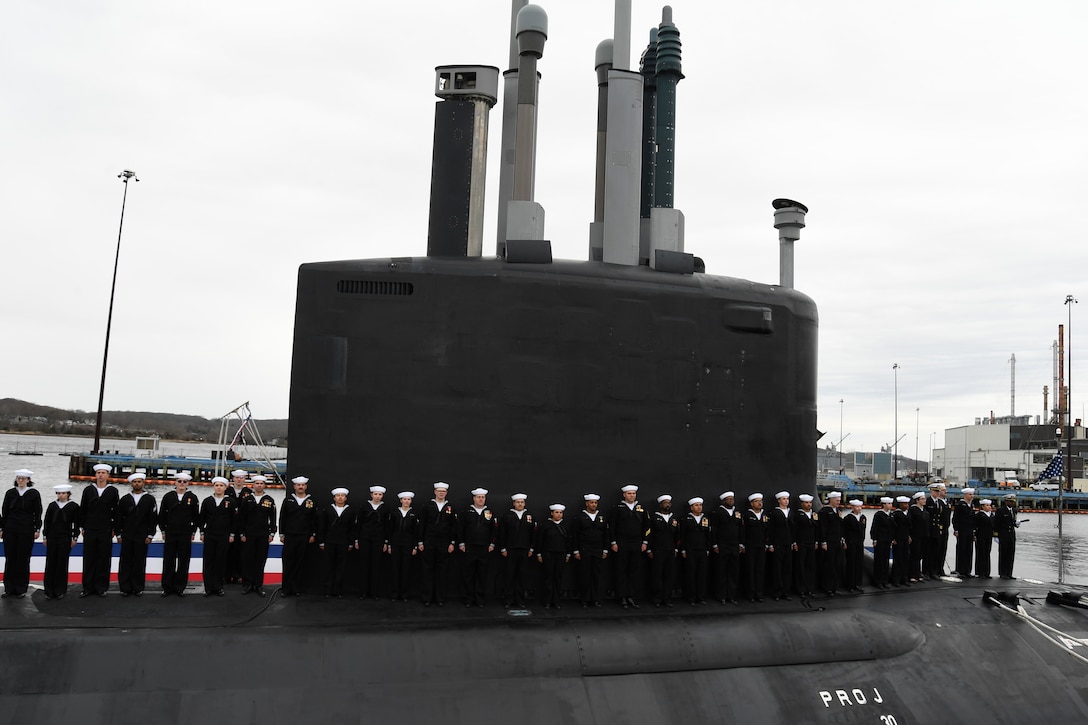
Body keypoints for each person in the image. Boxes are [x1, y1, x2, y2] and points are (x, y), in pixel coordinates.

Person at [79, 463, 119, 597]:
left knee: (103, 558)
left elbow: (116, 512)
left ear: (108, 475)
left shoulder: (112, 491)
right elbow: (83, 509)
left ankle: (101, 587)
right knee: (89, 558)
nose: (101, 475)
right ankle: (87, 587)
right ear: (95, 475)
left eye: (103, 473)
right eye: (98, 473)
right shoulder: (88, 490)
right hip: (90, 528)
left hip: (105, 529)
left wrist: (114, 528)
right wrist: (83, 526)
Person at [115, 472, 158, 597]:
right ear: (131, 483)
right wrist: (118, 534)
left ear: (143, 483)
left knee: (139, 562)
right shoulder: (125, 499)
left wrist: (150, 534)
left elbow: (153, 518)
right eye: (135, 482)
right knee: (125, 561)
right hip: (127, 535)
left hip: (142, 536)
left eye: (139, 481)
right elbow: (119, 518)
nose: (137, 484)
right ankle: (125, 587)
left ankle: (138, 587)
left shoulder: (149, 499)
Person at [159, 471, 201, 597]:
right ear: (175, 482)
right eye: (179, 481)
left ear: (188, 483)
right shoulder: (168, 497)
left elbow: (196, 517)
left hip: (185, 533)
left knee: (183, 561)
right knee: (168, 561)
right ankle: (167, 587)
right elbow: (162, 515)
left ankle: (179, 587)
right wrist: (163, 530)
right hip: (170, 533)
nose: (182, 484)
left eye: (184, 482)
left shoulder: (192, 498)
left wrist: (193, 531)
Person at [1, 468, 42, 598]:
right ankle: (9, 587)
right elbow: (5, 511)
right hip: (10, 529)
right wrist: (2, 528)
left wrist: (37, 529)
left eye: (23, 479)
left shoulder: (33, 494)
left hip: (26, 529)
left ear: (28, 480)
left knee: (23, 559)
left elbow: (38, 512)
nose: (20, 481)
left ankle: (20, 588)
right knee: (10, 557)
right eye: (18, 478)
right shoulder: (10, 493)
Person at [609, 484, 649, 609]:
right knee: (621, 570)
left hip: (637, 544)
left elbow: (647, 526)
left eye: (633, 493)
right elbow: (612, 526)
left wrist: (645, 542)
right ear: (624, 495)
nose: (632, 495)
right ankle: (622, 596)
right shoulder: (618, 508)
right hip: (621, 544)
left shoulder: (641, 508)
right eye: (629, 493)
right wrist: (613, 542)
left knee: (634, 570)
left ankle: (631, 596)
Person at [419, 481, 457, 607]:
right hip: (429, 542)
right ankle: (427, 598)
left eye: (443, 491)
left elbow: (453, 527)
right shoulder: (428, 505)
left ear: (446, 493)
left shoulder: (450, 507)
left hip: (444, 543)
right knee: (427, 569)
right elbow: (422, 524)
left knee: (442, 570)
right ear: (435, 492)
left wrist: (452, 542)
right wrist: (420, 541)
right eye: (439, 491)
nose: (441, 493)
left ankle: (440, 598)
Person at [238, 474, 277, 597]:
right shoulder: (247, 499)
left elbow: (273, 517)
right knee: (248, 559)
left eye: (261, 483)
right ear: (253, 485)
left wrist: (272, 533)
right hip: (249, 534)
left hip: (263, 535)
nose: (259, 485)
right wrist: (242, 533)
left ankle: (258, 585)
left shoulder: (269, 500)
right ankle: (247, 584)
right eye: (257, 483)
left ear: (264, 485)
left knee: (260, 560)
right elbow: (241, 518)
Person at [279, 476, 317, 597]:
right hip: (289, 536)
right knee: (288, 561)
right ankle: (285, 588)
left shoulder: (311, 501)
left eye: (303, 485)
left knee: (300, 563)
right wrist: (282, 533)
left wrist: (313, 534)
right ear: (294, 486)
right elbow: (282, 517)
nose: (300, 487)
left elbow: (314, 519)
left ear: (306, 486)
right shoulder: (288, 500)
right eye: (298, 485)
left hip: (304, 536)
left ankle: (296, 588)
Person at [458, 487, 496, 608]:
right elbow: (460, 529)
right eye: (478, 497)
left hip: (484, 548)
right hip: (469, 548)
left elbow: (494, 530)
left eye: (483, 497)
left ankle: (479, 599)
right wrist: (461, 543)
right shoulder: (466, 512)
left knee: (482, 575)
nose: (481, 499)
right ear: (474, 498)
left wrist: (492, 544)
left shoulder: (489, 512)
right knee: (468, 574)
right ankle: (468, 598)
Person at [42, 483, 80, 599]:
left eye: (63, 493)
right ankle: (49, 590)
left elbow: (76, 523)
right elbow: (47, 521)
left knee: (62, 564)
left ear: (68, 494)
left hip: (65, 537)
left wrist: (74, 537)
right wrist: (45, 536)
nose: (61, 495)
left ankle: (60, 590)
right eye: (59, 493)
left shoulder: (73, 506)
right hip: (52, 537)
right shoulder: (52, 506)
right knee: (50, 563)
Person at [498, 493, 536, 608]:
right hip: (510, 550)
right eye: (518, 502)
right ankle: (508, 600)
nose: (520, 504)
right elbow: (502, 533)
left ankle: (520, 600)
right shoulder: (507, 515)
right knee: (509, 575)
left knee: (522, 576)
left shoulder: (529, 516)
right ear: (514, 503)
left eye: (522, 502)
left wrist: (532, 548)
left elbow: (534, 534)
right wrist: (503, 548)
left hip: (525, 551)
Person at [200, 477, 235, 596]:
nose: (219, 487)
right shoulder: (207, 501)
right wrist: (202, 532)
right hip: (210, 534)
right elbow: (202, 518)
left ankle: (218, 587)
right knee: (208, 561)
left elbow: (234, 520)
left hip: (224, 536)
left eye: (221, 485)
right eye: (216, 485)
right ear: (213, 487)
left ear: (225, 487)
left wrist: (232, 534)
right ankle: (208, 587)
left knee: (220, 561)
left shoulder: (230, 502)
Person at [571, 493, 608, 608]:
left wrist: (605, 549)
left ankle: (596, 598)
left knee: (597, 575)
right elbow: (575, 535)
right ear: (587, 504)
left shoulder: (601, 517)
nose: (593, 505)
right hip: (584, 549)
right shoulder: (580, 517)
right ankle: (585, 599)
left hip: (598, 550)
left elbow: (606, 534)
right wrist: (576, 550)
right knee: (585, 575)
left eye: (595, 503)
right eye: (591, 502)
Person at [354, 485, 389, 600]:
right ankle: (363, 591)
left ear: (382, 496)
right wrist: (356, 539)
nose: (377, 496)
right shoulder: (364, 506)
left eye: (380, 494)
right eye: (375, 494)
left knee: (376, 565)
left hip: (378, 539)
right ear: (371, 495)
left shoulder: (385, 508)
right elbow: (358, 523)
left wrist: (385, 542)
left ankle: (374, 592)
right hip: (364, 538)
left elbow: (387, 527)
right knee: (364, 564)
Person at [318, 487, 353, 598]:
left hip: (343, 543)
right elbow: (322, 526)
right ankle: (327, 590)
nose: (340, 497)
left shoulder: (350, 511)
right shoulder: (327, 510)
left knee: (340, 567)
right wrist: (321, 542)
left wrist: (351, 542)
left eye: (342, 495)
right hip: (329, 542)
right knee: (328, 566)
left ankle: (338, 590)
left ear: (346, 498)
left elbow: (352, 528)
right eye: (338, 495)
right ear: (334, 498)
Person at [535, 504, 571, 610]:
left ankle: (556, 600)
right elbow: (540, 540)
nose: (559, 515)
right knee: (548, 577)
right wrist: (539, 553)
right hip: (548, 554)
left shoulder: (566, 525)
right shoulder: (546, 525)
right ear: (552, 513)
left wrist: (568, 553)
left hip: (561, 554)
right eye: (556, 512)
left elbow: (569, 540)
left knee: (558, 577)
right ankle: (547, 600)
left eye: (560, 513)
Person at [647, 494, 679, 608]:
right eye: (665, 503)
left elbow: (677, 536)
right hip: (658, 550)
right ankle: (657, 598)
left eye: (669, 503)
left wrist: (676, 548)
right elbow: (649, 534)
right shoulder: (654, 517)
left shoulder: (673, 518)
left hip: (670, 551)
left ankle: (667, 598)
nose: (668, 505)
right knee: (657, 575)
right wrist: (649, 549)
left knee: (669, 576)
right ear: (660, 505)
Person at [712, 491, 744, 604]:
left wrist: (741, 543)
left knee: (733, 572)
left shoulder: (737, 512)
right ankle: (721, 596)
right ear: (724, 500)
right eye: (729, 499)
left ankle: (732, 595)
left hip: (734, 546)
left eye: (732, 499)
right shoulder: (718, 512)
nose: (731, 501)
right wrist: (715, 544)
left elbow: (741, 529)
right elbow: (714, 529)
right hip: (722, 545)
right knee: (721, 572)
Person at [679, 497, 712, 605]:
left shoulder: (705, 519)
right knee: (690, 574)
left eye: (700, 505)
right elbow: (682, 535)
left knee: (702, 574)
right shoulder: (686, 519)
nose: (699, 507)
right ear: (691, 507)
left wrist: (707, 548)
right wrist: (683, 549)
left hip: (702, 550)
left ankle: (701, 597)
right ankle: (691, 597)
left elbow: (708, 535)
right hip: (690, 550)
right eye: (696, 505)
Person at [387, 491, 419, 602]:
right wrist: (389, 544)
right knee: (395, 569)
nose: (406, 501)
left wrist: (415, 546)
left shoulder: (414, 514)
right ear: (401, 500)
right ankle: (395, 594)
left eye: (408, 499)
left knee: (406, 569)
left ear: (411, 501)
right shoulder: (395, 512)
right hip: (395, 544)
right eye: (404, 499)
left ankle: (404, 594)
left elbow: (416, 531)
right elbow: (390, 530)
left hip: (408, 544)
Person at [226, 469, 253, 585]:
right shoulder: (227, 491)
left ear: (244, 479)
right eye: (237, 478)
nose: (239, 480)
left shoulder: (249, 492)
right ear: (233, 479)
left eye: (241, 478)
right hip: (228, 526)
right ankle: (226, 575)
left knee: (240, 553)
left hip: (242, 527)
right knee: (227, 552)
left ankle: (238, 575)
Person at [766, 491, 795, 601]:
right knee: (777, 569)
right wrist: (770, 544)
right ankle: (777, 592)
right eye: (783, 499)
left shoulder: (791, 513)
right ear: (779, 500)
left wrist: (793, 542)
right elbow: (770, 530)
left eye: (787, 499)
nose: (786, 501)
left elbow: (793, 529)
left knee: (787, 569)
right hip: (777, 544)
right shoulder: (774, 513)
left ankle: (786, 591)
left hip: (788, 545)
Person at [817, 491, 844, 596]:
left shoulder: (838, 511)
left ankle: (835, 587)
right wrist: (823, 542)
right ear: (831, 500)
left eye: (839, 500)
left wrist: (842, 539)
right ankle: (827, 587)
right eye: (837, 500)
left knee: (837, 565)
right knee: (829, 565)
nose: (838, 502)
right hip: (829, 542)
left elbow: (841, 527)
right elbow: (822, 528)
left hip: (837, 542)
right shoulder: (824, 512)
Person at [743, 493, 768, 602]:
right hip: (750, 546)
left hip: (761, 546)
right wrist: (742, 544)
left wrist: (767, 543)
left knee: (760, 570)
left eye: (760, 501)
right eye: (757, 501)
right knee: (750, 570)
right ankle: (750, 594)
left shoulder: (764, 515)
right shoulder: (747, 515)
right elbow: (743, 531)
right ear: (752, 503)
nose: (759, 503)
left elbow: (768, 530)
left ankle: (759, 593)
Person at [791, 493, 818, 596]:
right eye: (806, 503)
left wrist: (816, 541)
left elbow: (817, 528)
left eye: (810, 503)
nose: (809, 505)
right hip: (801, 543)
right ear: (802, 504)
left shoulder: (814, 515)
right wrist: (794, 542)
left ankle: (810, 588)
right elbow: (794, 530)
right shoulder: (798, 515)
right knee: (800, 566)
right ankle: (801, 589)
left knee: (811, 566)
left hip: (811, 543)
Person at [841, 499, 866, 593]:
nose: (859, 508)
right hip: (851, 543)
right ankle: (850, 584)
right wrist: (845, 541)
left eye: (860, 507)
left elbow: (863, 530)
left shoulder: (863, 517)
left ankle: (857, 583)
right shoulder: (848, 518)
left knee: (859, 563)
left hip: (859, 543)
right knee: (851, 564)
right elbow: (844, 531)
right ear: (852, 507)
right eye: (857, 507)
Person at [869, 497, 894, 589]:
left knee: (885, 561)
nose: (890, 505)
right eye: (889, 504)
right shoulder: (879, 515)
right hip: (880, 540)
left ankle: (884, 580)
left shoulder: (891, 515)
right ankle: (878, 581)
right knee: (879, 561)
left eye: (891, 504)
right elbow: (874, 528)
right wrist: (874, 539)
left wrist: (892, 538)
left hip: (887, 540)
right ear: (884, 504)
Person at [952, 488, 976, 577]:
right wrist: (956, 529)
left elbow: (973, 519)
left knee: (969, 550)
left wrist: (974, 531)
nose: (972, 496)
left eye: (972, 494)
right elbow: (955, 518)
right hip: (962, 530)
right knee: (961, 549)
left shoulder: (971, 505)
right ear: (965, 495)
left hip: (969, 530)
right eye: (970, 494)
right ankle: (960, 570)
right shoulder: (960, 505)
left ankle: (967, 570)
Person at [907, 492, 930, 583]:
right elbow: (909, 523)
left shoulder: (924, 511)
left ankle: (918, 573)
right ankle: (912, 574)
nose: (924, 501)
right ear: (917, 500)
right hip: (915, 536)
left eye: (924, 499)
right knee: (914, 555)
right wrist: (909, 535)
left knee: (920, 555)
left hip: (924, 536)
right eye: (922, 499)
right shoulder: (913, 510)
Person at [996, 493, 1019, 579]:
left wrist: (1016, 524)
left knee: (1010, 554)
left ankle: (1009, 573)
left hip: (1011, 535)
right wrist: (996, 535)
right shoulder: (1000, 511)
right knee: (1003, 554)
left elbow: (1013, 522)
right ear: (1006, 501)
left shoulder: (1014, 510)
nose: (1012, 503)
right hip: (1003, 534)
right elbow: (997, 524)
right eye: (1010, 501)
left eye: (1013, 501)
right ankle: (1003, 573)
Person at [890, 496, 911, 586]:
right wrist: (893, 538)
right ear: (900, 504)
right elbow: (893, 528)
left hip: (905, 539)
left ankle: (904, 578)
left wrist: (909, 536)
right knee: (898, 560)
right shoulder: (896, 514)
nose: (907, 505)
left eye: (907, 504)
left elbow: (908, 527)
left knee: (905, 559)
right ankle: (896, 579)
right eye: (905, 504)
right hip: (898, 540)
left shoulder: (907, 514)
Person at [974, 499, 996, 579]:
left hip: (989, 536)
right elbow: (975, 526)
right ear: (982, 506)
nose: (989, 507)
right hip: (981, 536)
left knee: (987, 553)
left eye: (989, 505)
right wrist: (974, 535)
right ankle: (980, 572)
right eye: (987, 505)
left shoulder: (992, 515)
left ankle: (987, 572)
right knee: (981, 554)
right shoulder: (979, 515)